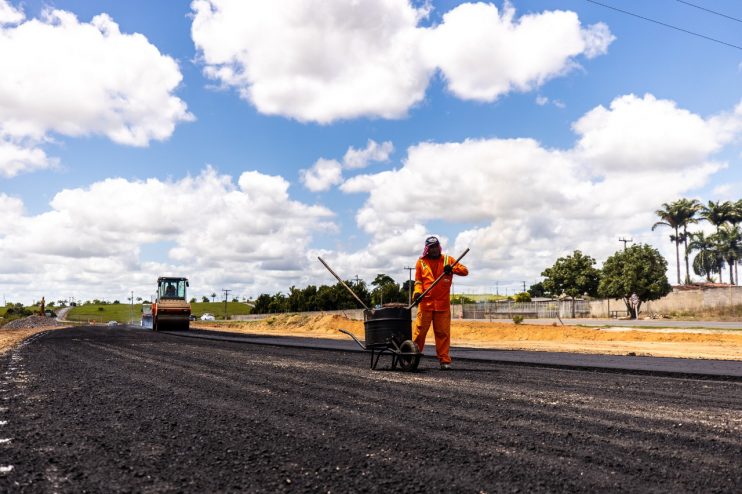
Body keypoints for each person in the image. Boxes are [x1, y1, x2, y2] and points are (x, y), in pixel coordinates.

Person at [412, 236, 468, 370]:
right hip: (426, 304)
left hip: (442, 306)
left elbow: (465, 271)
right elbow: (418, 281)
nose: (435, 249)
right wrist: (417, 293)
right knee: (420, 333)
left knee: (442, 333)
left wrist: (452, 269)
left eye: (436, 246)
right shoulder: (421, 262)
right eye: (431, 247)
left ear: (439, 246)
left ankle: (444, 361)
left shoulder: (448, 260)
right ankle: (412, 357)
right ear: (427, 249)